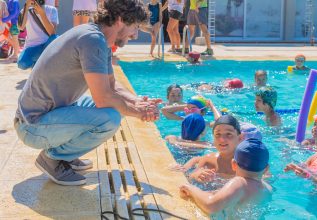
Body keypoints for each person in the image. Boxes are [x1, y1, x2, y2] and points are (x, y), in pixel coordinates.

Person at [14, 0, 160, 186]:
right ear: (120, 20)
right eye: (135, 27)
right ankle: (52, 158)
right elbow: (103, 98)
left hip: (47, 114)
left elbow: (112, 86)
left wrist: (136, 101)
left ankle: (65, 154)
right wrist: (138, 113)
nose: (135, 34)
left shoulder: (100, 38)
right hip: (31, 125)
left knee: (118, 108)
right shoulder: (92, 40)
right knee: (110, 117)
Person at [179, 138, 272, 216]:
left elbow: (211, 206)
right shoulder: (268, 189)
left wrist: (191, 189)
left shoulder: (239, 182)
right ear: (266, 169)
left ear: (234, 164)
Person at [17, 0, 58, 69]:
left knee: (55, 38)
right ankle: (36, 63)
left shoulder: (52, 10)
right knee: (22, 64)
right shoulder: (25, 10)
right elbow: (21, 27)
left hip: (47, 44)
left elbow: (52, 32)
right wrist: (26, 6)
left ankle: (42, 65)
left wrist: (42, 13)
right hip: (32, 46)